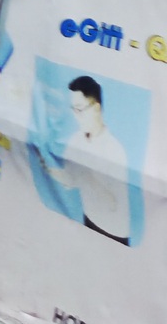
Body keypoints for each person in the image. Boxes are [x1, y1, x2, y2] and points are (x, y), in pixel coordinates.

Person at [45, 76, 133, 245]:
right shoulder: (75, 139)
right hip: (88, 218)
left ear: (96, 108)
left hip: (114, 232)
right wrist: (52, 170)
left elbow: (112, 203)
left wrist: (86, 178)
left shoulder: (115, 151)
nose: (75, 117)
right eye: (73, 110)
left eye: (79, 109)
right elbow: (71, 181)